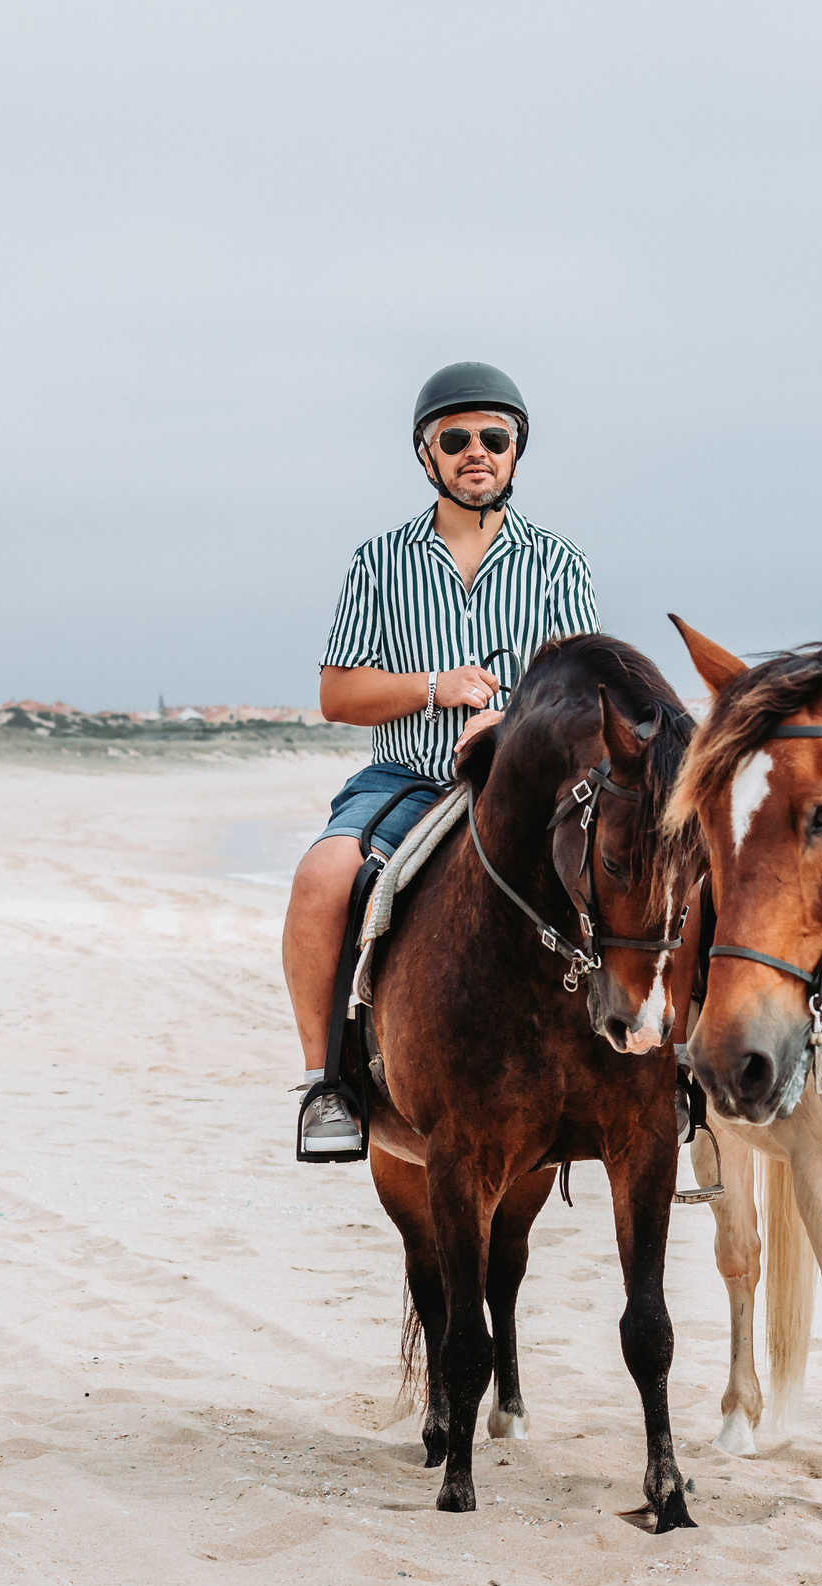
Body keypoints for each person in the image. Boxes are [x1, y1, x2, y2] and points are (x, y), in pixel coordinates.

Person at [283, 361, 598, 1159]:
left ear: (517, 452)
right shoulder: (377, 561)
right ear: (427, 455)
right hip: (405, 781)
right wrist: (433, 687)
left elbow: (584, 691)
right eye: (455, 439)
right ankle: (331, 1083)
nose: (476, 451)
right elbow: (337, 694)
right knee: (323, 878)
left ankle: (662, 1071)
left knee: (639, 869)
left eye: (494, 437)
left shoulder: (559, 564)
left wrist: (511, 717)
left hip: (526, 785)